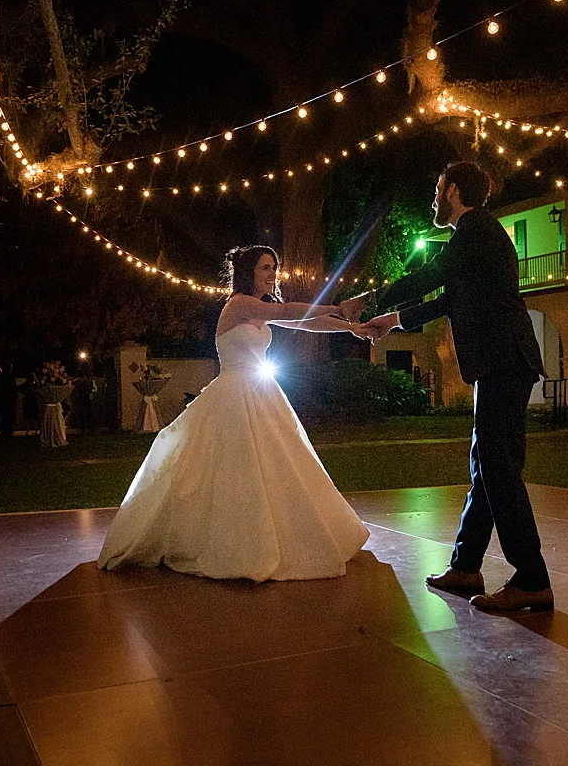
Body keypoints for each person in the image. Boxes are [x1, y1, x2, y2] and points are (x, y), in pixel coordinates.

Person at [97, 246, 373, 582]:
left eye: (274, 268)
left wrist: (350, 328)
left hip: (263, 395)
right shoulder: (239, 304)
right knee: (232, 470)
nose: (272, 274)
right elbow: (289, 312)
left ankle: (280, 536)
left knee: (278, 466)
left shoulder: (265, 307)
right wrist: (337, 306)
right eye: (266, 268)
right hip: (232, 395)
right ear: (249, 273)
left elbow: (305, 322)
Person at [362, 162, 553, 614]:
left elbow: (433, 277)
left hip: (505, 361)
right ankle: (466, 565)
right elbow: (449, 298)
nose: (433, 199)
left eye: (436, 189)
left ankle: (532, 578)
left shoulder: (475, 231)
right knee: (486, 467)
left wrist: (372, 301)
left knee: (499, 469)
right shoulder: (477, 236)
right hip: (502, 363)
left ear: (451, 190)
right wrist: (394, 319)